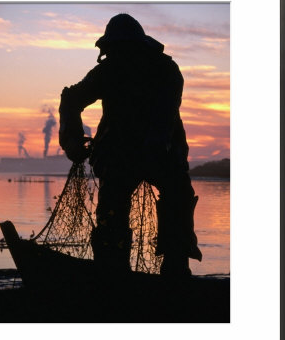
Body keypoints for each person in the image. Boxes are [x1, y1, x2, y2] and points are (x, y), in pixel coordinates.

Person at [59, 14, 202, 278]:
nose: (121, 56)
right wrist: (73, 142)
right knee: (112, 212)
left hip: (162, 153)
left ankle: (175, 270)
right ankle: (112, 272)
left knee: (178, 198)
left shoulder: (166, 71)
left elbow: (165, 115)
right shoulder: (108, 71)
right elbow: (71, 99)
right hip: (119, 154)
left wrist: (154, 148)